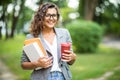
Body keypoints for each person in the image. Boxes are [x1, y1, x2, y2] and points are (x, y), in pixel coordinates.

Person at [21, 2, 76, 80]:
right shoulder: (31, 37)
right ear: (41, 17)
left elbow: (70, 62)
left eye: (54, 15)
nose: (51, 18)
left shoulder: (65, 33)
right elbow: (23, 64)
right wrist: (37, 64)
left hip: (63, 77)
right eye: (47, 15)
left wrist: (73, 58)